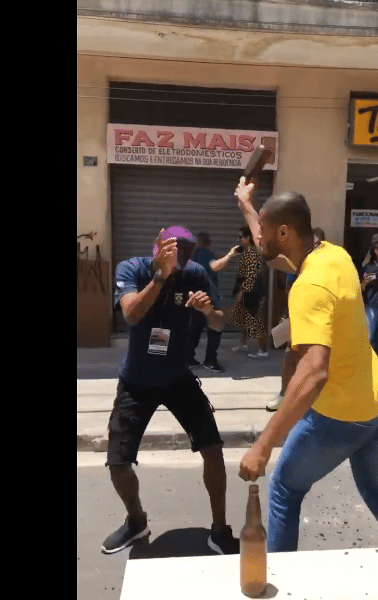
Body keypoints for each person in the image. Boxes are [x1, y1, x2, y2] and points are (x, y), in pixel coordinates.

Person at [233, 178, 378, 578]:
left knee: (284, 487)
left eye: (264, 229)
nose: (257, 237)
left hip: (341, 415)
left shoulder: (308, 286)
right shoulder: (334, 256)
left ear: (285, 232)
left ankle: (280, 582)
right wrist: (247, 205)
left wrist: (263, 446)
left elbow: (314, 370)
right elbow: (273, 253)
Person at [102, 226, 240, 556]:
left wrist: (207, 311)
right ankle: (136, 521)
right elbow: (132, 314)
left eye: (186, 257)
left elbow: (220, 323)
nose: (181, 264)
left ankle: (219, 530)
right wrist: (160, 278)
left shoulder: (195, 274)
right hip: (136, 380)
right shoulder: (131, 269)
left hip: (178, 376)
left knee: (213, 447)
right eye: (174, 255)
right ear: (157, 245)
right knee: (118, 462)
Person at [266, 227, 325, 412]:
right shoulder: (297, 264)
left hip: (319, 320)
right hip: (298, 317)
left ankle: (317, 399)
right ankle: (284, 394)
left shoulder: (328, 265)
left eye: (315, 243)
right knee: (290, 356)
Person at [188, 232, 240, 373]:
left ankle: (188, 359)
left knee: (194, 329)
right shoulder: (204, 253)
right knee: (215, 329)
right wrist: (230, 255)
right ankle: (210, 361)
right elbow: (215, 266)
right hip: (207, 300)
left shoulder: (189, 255)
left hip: (192, 299)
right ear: (208, 242)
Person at [230, 225, 269, 358]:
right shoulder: (248, 252)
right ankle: (243, 343)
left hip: (251, 292)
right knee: (241, 318)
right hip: (247, 291)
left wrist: (241, 293)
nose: (239, 239)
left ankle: (263, 350)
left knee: (255, 321)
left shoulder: (252, 253)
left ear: (248, 238)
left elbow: (251, 275)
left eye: (241, 237)